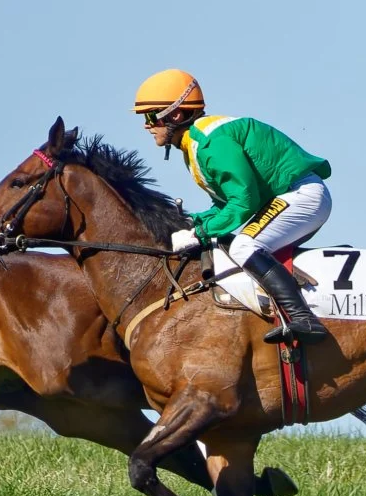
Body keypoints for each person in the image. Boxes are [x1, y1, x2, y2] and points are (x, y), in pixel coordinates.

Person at [133, 69, 332, 344]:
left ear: (175, 115)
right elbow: (225, 204)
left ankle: (303, 318)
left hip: (301, 195)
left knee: (243, 247)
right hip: (289, 196)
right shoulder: (195, 145)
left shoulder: (210, 144)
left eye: (150, 116)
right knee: (235, 246)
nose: (146, 125)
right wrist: (194, 222)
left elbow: (244, 201)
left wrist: (200, 233)